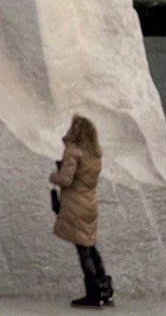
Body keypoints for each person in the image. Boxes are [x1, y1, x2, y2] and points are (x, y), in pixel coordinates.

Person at [50, 114, 114, 308]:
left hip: (75, 204)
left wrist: (54, 176)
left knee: (83, 249)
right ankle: (104, 288)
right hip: (89, 204)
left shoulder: (73, 152)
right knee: (90, 245)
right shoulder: (95, 154)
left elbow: (66, 180)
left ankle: (93, 293)